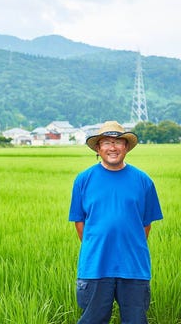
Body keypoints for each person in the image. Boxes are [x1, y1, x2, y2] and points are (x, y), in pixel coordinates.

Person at [69, 120, 163, 324]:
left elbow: (145, 224)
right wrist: (96, 247)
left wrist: (129, 246)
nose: (112, 147)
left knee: (135, 321)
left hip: (134, 267)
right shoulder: (83, 180)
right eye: (106, 142)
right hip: (95, 266)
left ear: (126, 147)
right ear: (98, 148)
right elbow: (79, 222)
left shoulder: (143, 181)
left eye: (118, 142)